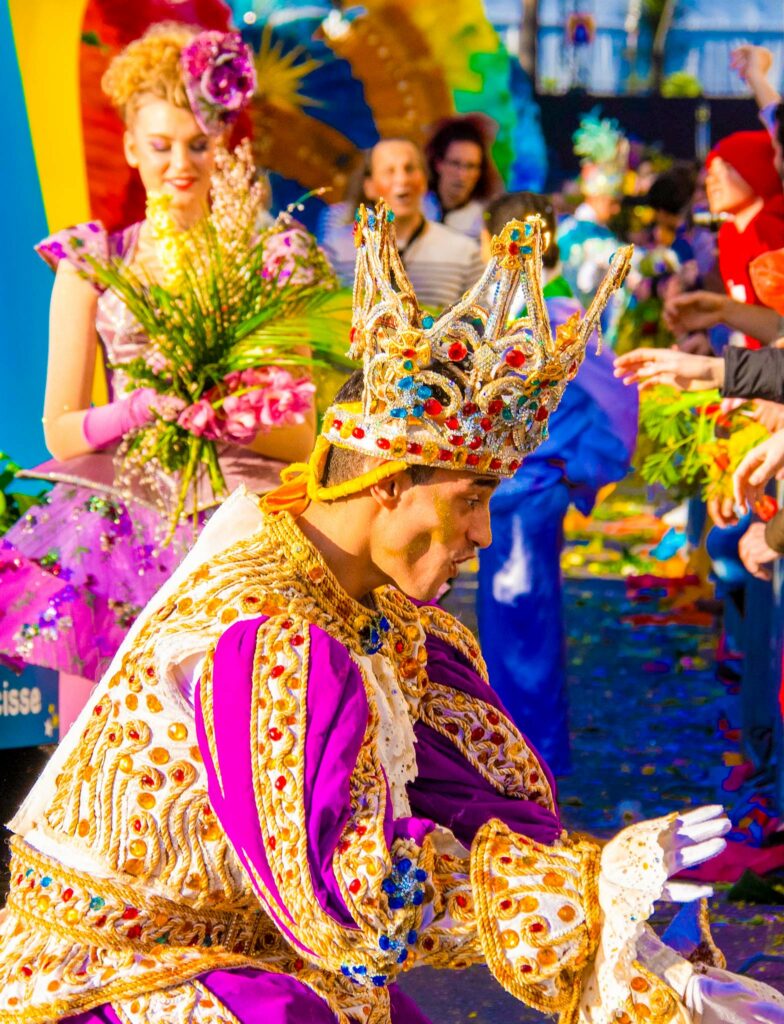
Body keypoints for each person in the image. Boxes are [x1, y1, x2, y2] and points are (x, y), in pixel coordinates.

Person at [3, 202, 784, 1024]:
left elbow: (490, 817)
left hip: (254, 946)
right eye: (473, 496)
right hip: (118, 971)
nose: (484, 535)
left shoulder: (382, 612)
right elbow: (353, 894)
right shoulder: (271, 632)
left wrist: (635, 938)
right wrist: (588, 895)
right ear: (385, 481)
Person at [0, 25, 322, 691]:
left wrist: (231, 420)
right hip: (120, 536)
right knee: (99, 745)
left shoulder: (269, 263)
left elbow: (303, 435)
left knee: (237, 736)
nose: (182, 162)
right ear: (129, 148)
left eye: (199, 144)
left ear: (222, 145)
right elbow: (60, 429)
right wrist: (139, 408)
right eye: (161, 144)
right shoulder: (93, 265)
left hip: (240, 529)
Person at [476, 192, 638, 774]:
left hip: (524, 492)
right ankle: (520, 753)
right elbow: (618, 404)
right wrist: (585, 468)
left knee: (520, 622)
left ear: (489, 245)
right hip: (524, 490)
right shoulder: (558, 314)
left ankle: (529, 760)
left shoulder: (547, 317)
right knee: (512, 622)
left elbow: (620, 397)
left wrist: (577, 468)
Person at [321, 138, 484, 309]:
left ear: (424, 180)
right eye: (389, 171)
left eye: (410, 169)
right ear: (369, 186)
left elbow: (481, 324)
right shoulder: (335, 251)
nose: (402, 179)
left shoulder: (465, 253)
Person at [558, 110, 628, 340]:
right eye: (613, 201)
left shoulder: (578, 231)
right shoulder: (578, 235)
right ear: (598, 196)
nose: (616, 209)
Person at [704, 130, 784, 312]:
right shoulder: (729, 234)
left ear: (756, 169)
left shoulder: (772, 228)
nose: (712, 181)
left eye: (728, 167)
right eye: (710, 172)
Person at [423, 115, 501, 240]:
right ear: (438, 163)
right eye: (455, 164)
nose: (462, 175)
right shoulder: (414, 209)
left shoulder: (486, 223)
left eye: (471, 166)